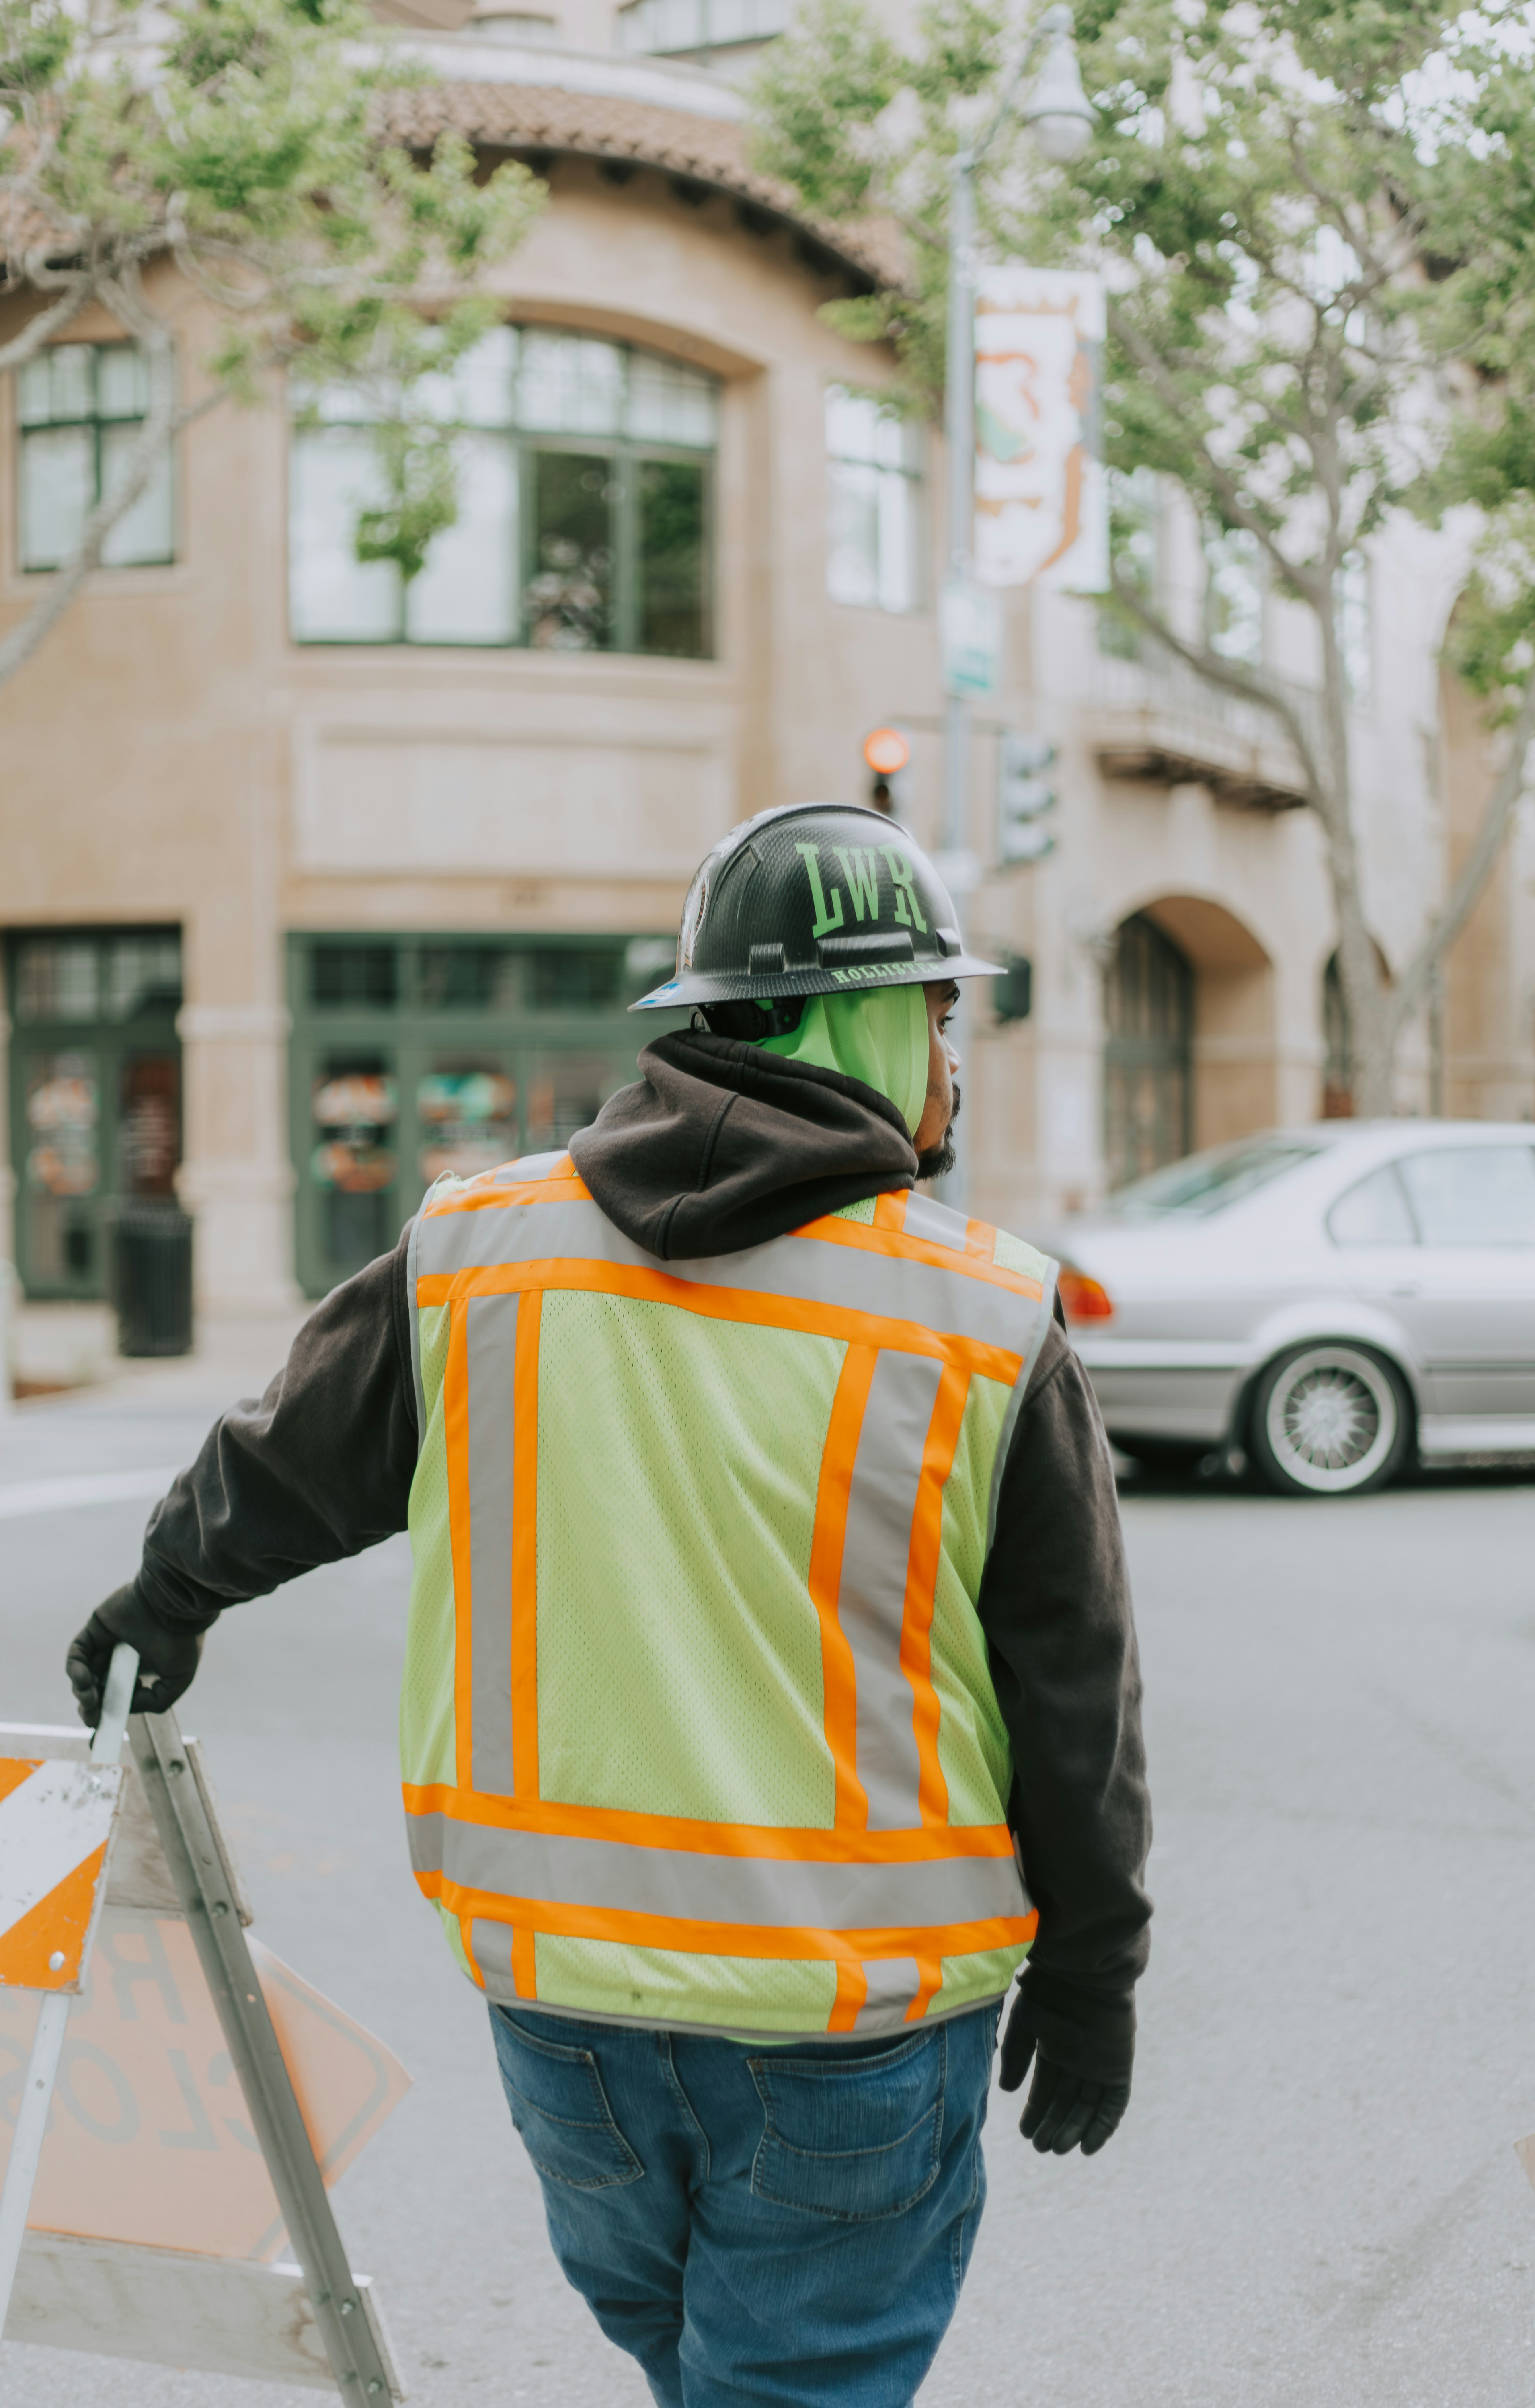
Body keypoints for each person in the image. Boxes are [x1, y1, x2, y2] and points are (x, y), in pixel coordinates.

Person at [68, 803, 1151, 2408]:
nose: (951, 1050)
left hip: (560, 2005)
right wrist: (1094, 1964)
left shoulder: (480, 1254)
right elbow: (1071, 1687)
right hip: (847, 2016)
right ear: (841, 1014)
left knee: (698, 2367)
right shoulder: (979, 1313)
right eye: (931, 1008)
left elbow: (282, 1467)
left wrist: (165, 1598)